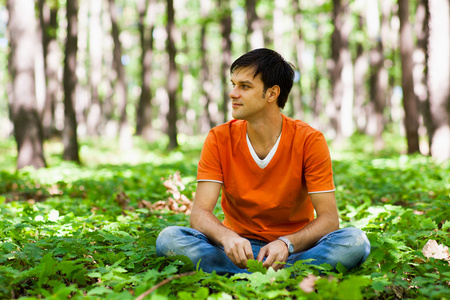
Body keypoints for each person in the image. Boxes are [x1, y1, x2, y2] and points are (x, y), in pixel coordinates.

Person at [156, 48, 370, 275]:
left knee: (355, 241)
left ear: (272, 93)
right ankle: (283, 276)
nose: (233, 93)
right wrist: (228, 237)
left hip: (293, 249)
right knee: (169, 239)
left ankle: (243, 276)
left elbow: (328, 219)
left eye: (244, 86)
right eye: (233, 84)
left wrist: (286, 244)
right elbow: (199, 213)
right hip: (235, 250)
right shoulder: (219, 138)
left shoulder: (309, 140)